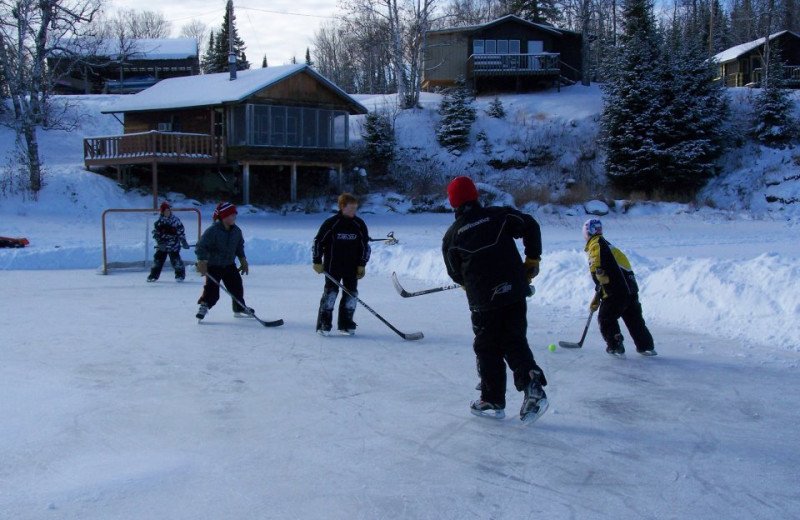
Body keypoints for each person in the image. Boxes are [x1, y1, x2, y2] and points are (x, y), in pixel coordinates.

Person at [441, 176, 549, 424]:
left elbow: (454, 271)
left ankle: (492, 400)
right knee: (514, 341)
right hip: (513, 291)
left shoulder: (452, 236)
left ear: (453, 204)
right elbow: (530, 225)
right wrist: (532, 260)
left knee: (487, 347)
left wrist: (467, 282)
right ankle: (530, 387)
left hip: (483, 300)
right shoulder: (499, 215)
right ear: (476, 196)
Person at [583, 218, 657, 358]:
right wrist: (597, 296)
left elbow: (598, 269)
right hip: (630, 291)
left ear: (587, 233)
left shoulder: (596, 245)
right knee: (634, 319)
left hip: (615, 292)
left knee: (606, 318)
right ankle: (645, 346)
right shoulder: (611, 247)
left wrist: (599, 275)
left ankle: (615, 344)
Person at [312, 193, 371, 336]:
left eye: (355, 208)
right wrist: (317, 261)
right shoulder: (332, 223)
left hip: (352, 268)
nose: (354, 211)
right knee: (330, 294)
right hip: (333, 267)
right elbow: (318, 242)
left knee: (351, 295)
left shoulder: (359, 224)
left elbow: (365, 246)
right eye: (351, 208)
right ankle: (324, 324)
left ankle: (346, 324)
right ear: (342, 207)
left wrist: (362, 264)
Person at [194, 202, 251, 321]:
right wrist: (202, 261)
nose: (234, 217)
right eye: (231, 215)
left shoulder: (236, 231)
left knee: (236, 286)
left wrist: (243, 260)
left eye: (235, 215)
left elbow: (239, 246)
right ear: (223, 217)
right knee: (212, 290)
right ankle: (204, 306)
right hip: (214, 266)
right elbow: (201, 246)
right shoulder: (213, 231)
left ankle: (239, 307)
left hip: (229, 265)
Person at [147, 202, 190, 282]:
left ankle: (180, 276)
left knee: (176, 261)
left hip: (173, 245)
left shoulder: (176, 221)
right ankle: (153, 276)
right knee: (158, 261)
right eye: (165, 211)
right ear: (162, 212)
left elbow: (181, 232)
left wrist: (184, 242)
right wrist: (160, 243)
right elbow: (156, 234)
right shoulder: (159, 222)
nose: (167, 213)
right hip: (162, 245)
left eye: (168, 211)